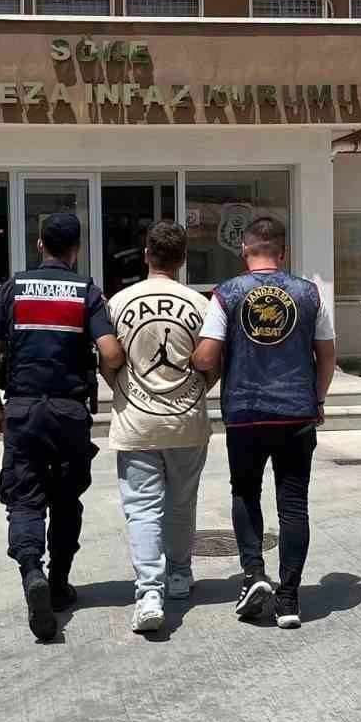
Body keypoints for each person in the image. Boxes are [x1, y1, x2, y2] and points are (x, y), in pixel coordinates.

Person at [0, 212, 124, 642]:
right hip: (69, 414)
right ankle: (59, 584)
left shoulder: (14, 288)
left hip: (23, 411)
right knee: (65, 502)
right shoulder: (86, 292)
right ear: (76, 249)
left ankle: (32, 572)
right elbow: (111, 353)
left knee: (24, 501)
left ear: (40, 244)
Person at [191, 216, 337, 630]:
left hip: (245, 413)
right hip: (296, 411)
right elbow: (327, 356)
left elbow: (206, 356)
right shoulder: (310, 294)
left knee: (245, 493)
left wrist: (196, 361)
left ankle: (254, 573)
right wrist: (318, 399)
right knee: (293, 505)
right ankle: (289, 599)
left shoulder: (227, 294)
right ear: (282, 253)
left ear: (244, 251)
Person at [106, 221, 212, 634]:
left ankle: (149, 594)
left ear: (147, 255)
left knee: (142, 509)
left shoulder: (119, 302)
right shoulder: (200, 305)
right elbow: (211, 362)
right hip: (187, 421)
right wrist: (198, 391)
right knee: (182, 504)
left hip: (136, 422)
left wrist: (119, 389)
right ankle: (180, 575)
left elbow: (108, 358)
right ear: (182, 259)